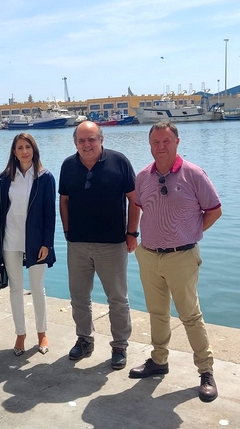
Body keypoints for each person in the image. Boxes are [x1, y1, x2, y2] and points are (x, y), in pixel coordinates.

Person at [129, 121, 222, 403]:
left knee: (190, 315)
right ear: (150, 145)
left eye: (166, 141)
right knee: (157, 313)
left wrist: (190, 232)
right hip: (149, 255)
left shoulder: (194, 174)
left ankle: (206, 371)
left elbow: (214, 210)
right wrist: (133, 236)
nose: (161, 147)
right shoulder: (143, 176)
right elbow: (139, 207)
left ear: (177, 142)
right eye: (155, 142)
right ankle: (159, 360)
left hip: (182, 256)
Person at [58, 121, 139, 370]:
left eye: (92, 139)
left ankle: (120, 346)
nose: (87, 144)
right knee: (79, 297)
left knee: (117, 298)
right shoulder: (68, 165)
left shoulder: (119, 161)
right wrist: (68, 231)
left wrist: (132, 233)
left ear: (101, 139)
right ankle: (84, 340)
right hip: (78, 244)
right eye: (81, 140)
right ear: (75, 143)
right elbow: (64, 201)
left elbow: (134, 200)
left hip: (112, 244)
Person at [0, 133, 56, 356]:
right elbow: (0, 210)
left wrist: (47, 243)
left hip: (36, 241)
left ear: (34, 150)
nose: (24, 151)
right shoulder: (5, 178)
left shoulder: (45, 177)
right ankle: (20, 334)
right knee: (16, 288)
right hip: (10, 239)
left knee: (37, 287)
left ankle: (42, 333)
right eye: (20, 147)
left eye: (28, 147)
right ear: (14, 152)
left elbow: (50, 213)